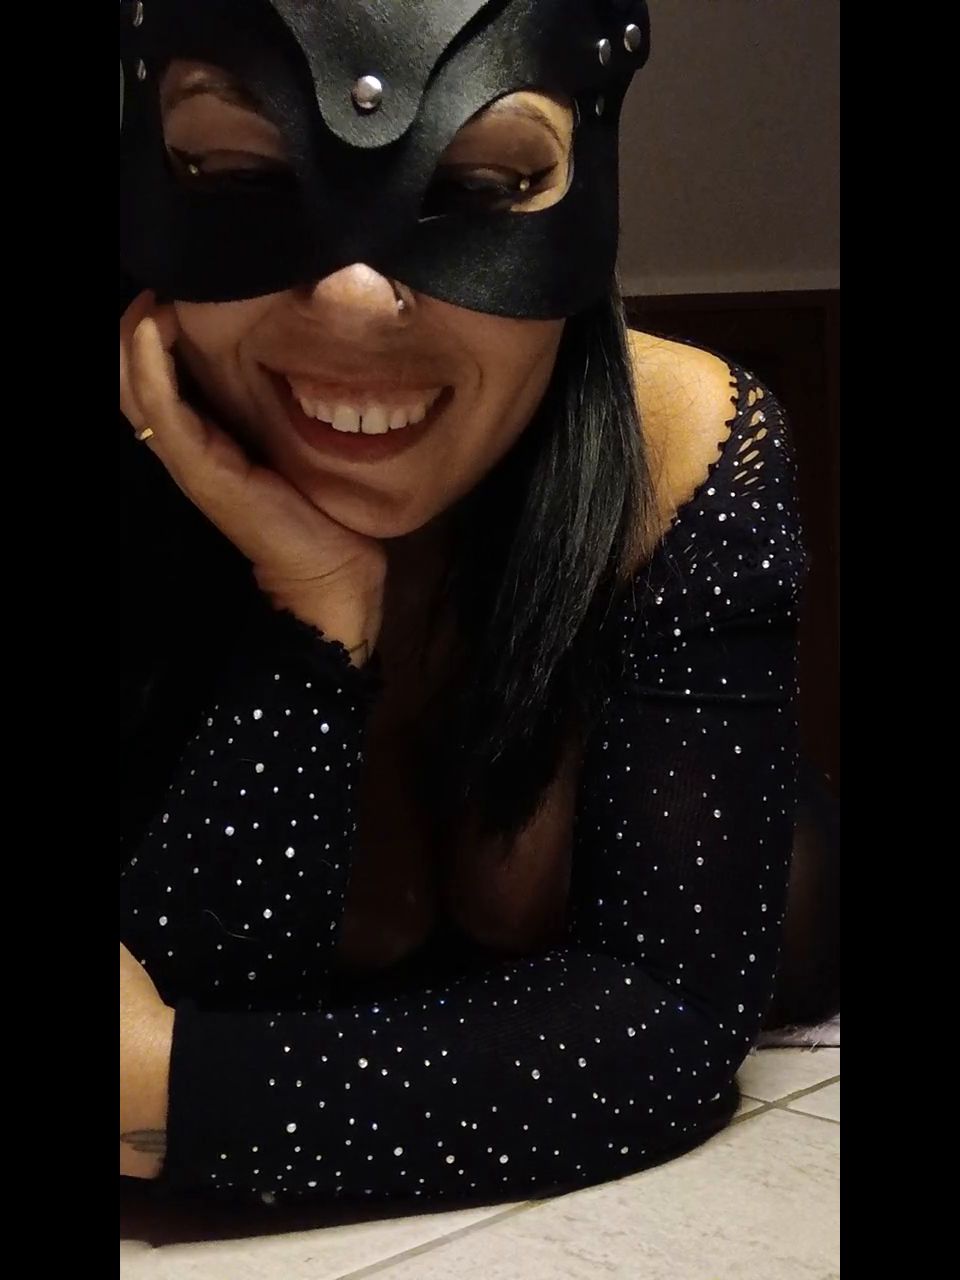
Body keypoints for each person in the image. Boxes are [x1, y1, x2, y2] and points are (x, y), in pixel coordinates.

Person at [119, 0, 817, 1203]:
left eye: (486, 185)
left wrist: (169, 1098)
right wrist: (314, 606)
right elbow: (193, 995)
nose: (352, 296)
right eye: (238, 175)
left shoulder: (678, 446)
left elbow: (671, 1016)